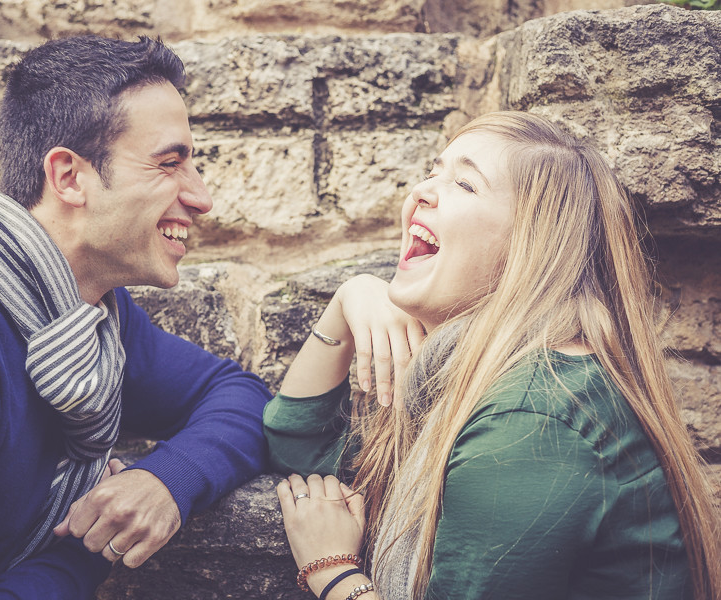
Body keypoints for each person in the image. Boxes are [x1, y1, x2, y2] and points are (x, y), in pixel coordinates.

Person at [0, 36, 270, 598]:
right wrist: (83, 555)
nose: (201, 197)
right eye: (169, 163)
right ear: (68, 177)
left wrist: (165, 478)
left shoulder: (87, 317)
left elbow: (242, 396)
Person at [263, 111, 721, 600]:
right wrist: (346, 300)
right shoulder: (466, 378)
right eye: (432, 171)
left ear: (529, 245)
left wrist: (333, 573)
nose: (422, 190)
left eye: (464, 183)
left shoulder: (531, 420)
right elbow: (299, 448)